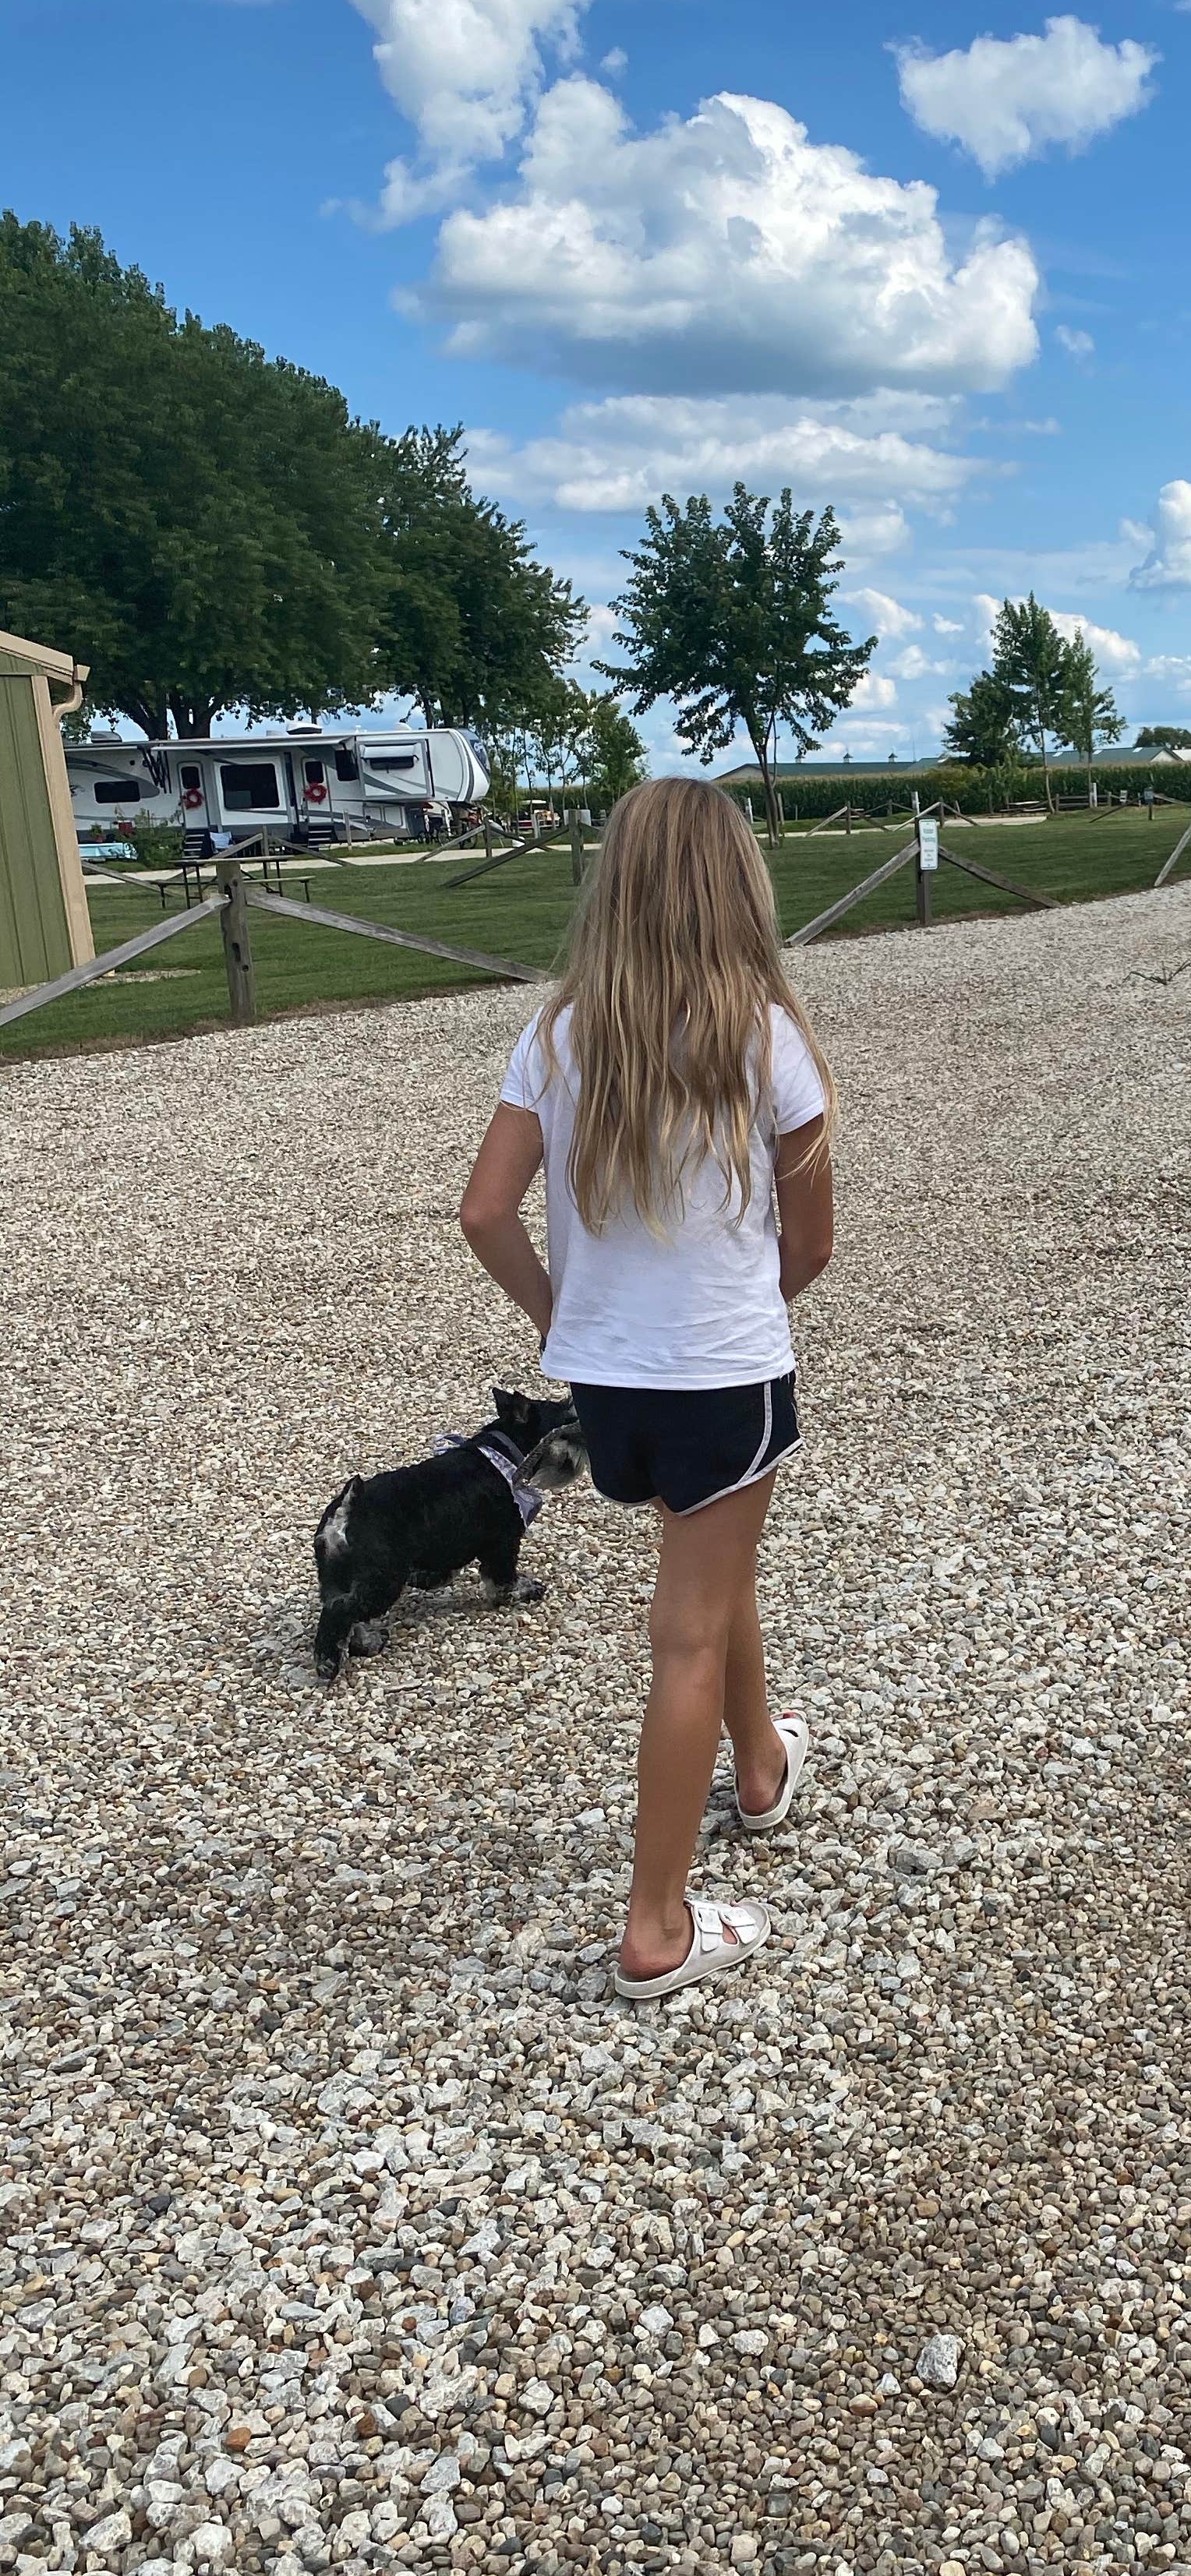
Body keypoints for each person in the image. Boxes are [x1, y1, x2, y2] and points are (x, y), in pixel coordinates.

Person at [459, 778, 836, 1993]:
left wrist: (568, 1317)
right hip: (725, 1378)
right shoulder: (765, 1034)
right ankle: (657, 1926)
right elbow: (811, 1249)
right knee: (686, 1630)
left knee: (711, 1575)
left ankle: (762, 1764)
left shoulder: (558, 1034)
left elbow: (483, 1211)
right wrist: (723, 1305)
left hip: (608, 1391)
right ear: (738, 886)